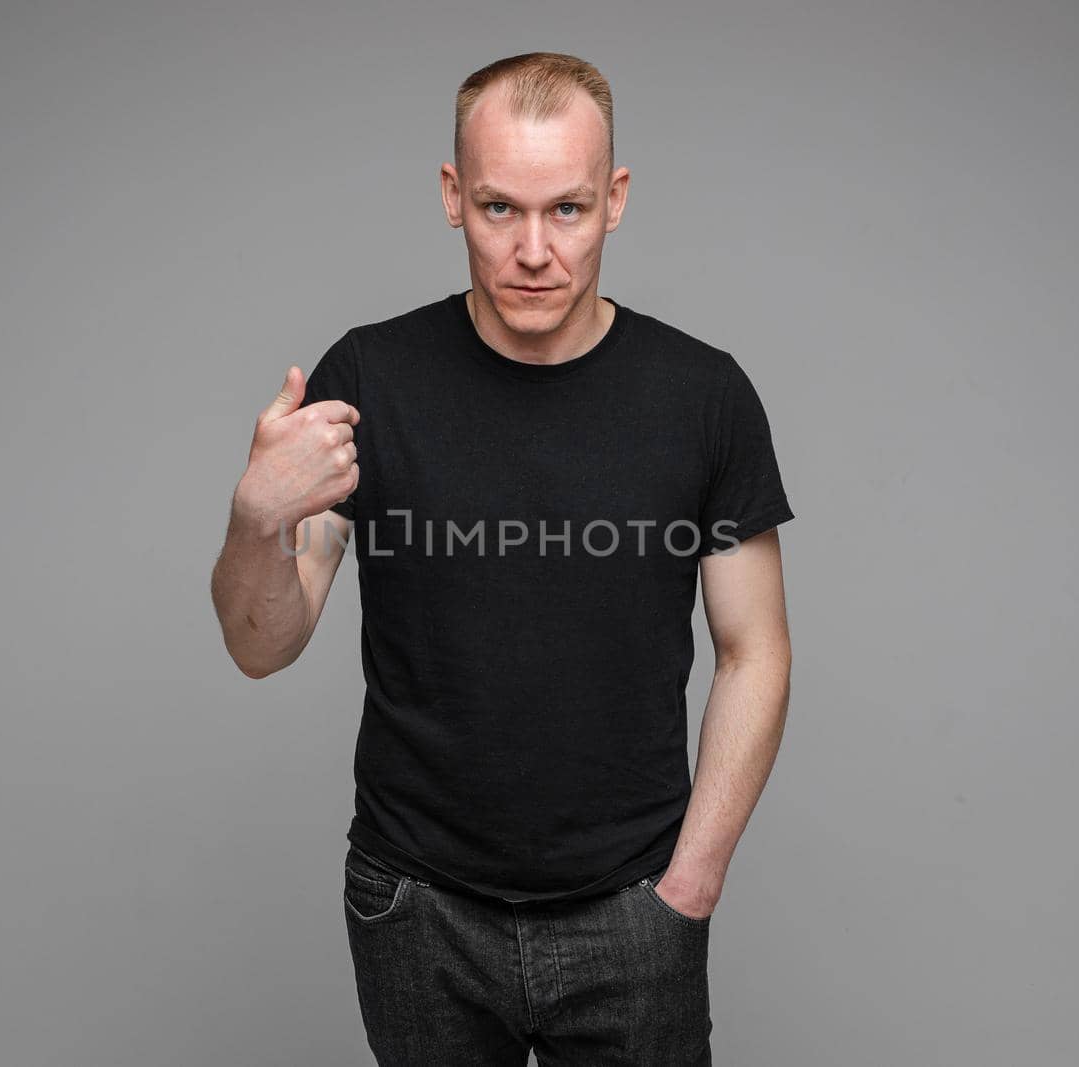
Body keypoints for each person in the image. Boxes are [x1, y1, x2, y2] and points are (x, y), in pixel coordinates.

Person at [211, 51, 794, 1066]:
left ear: (613, 200)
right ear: (452, 197)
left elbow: (756, 651)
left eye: (565, 210)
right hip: (416, 902)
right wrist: (254, 517)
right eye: (498, 209)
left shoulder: (702, 395)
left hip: (633, 900)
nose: (533, 250)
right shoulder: (368, 379)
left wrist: (688, 885)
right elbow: (264, 643)